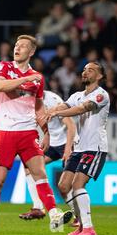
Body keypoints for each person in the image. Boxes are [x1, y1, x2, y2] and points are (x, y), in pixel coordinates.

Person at [0, 35, 72, 235]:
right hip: (5, 132)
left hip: (28, 132)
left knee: (39, 174)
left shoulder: (38, 77)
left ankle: (54, 214)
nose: (17, 48)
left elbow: (38, 108)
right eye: (16, 45)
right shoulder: (4, 67)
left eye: (23, 46)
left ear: (31, 52)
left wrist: (45, 132)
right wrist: (27, 79)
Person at [44, 62, 110, 235]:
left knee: (78, 184)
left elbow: (81, 109)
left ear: (100, 76)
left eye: (91, 70)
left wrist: (57, 114)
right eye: (84, 69)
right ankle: (80, 225)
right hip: (80, 147)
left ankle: (89, 228)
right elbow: (64, 106)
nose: (85, 72)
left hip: (94, 148)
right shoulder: (77, 95)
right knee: (63, 186)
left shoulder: (101, 95)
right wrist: (50, 111)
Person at [19, 90, 76, 220]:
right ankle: (38, 207)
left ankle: (79, 216)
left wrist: (68, 149)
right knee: (28, 167)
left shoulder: (54, 101)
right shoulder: (27, 101)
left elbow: (71, 126)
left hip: (66, 143)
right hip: (51, 143)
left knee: (67, 184)